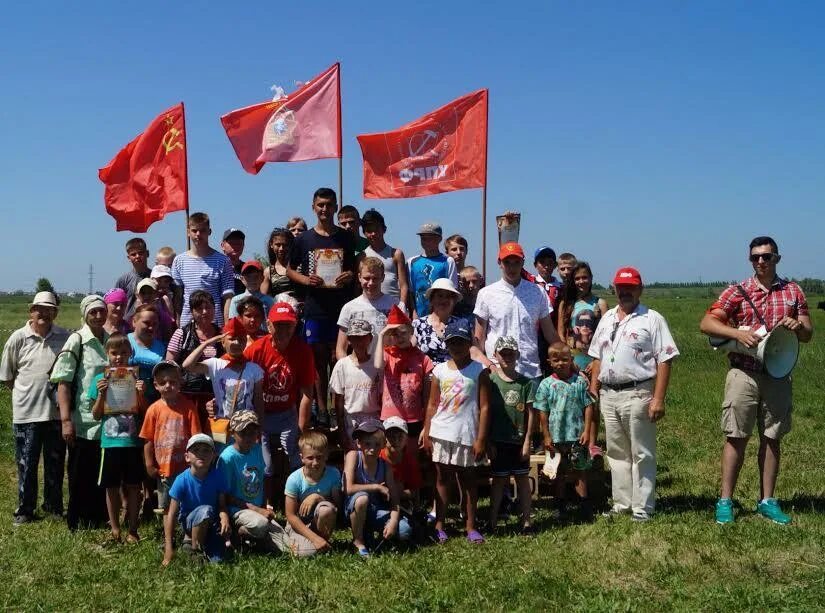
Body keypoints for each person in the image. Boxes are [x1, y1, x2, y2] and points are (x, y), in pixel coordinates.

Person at [699, 236, 813, 525]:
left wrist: (798, 326)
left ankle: (767, 500)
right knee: (736, 436)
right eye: (755, 257)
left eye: (766, 256)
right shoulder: (738, 290)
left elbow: (808, 332)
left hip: (778, 373)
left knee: (772, 437)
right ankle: (725, 500)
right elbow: (707, 323)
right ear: (750, 260)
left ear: (777, 258)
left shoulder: (793, 292)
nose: (760, 261)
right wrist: (737, 334)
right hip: (743, 373)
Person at [588, 267, 679, 521]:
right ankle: (622, 503)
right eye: (621, 287)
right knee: (616, 452)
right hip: (609, 394)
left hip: (638, 392)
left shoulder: (652, 319)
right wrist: (594, 388)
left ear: (640, 289)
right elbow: (597, 355)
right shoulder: (606, 319)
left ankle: (643, 507)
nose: (625, 292)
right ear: (614, 289)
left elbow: (665, 359)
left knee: (642, 452)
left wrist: (658, 398)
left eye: (631, 287)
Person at [286, 188, 356, 427]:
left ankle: (339, 408)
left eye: (329, 204)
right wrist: (306, 280)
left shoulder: (346, 238)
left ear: (336, 207)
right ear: (313, 207)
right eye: (320, 205)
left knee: (339, 360)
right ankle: (323, 411)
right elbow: (289, 269)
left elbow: (354, 269)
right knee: (317, 362)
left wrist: (349, 276)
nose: (325, 209)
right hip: (315, 307)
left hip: (340, 308)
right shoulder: (303, 239)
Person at [1, 291, 70, 525]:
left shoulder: (64, 337)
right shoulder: (18, 338)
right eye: (39, 308)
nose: (43, 313)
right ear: (31, 311)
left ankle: (52, 507)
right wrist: (26, 393)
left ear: (55, 312)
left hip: (55, 414)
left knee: (55, 463)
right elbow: (8, 377)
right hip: (26, 413)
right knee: (26, 464)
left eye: (48, 309)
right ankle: (25, 509)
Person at [421, 319, 489, 544]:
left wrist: (481, 438)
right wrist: (428, 431)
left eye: (460, 342)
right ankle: (439, 524)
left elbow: (485, 406)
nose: (456, 347)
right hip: (442, 432)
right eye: (451, 342)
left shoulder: (479, 370)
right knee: (442, 478)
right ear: (446, 344)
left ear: (469, 342)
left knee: (468, 480)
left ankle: (470, 526)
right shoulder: (439, 370)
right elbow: (432, 404)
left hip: (467, 433)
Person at [244, 302, 316, 504]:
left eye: (288, 325)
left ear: (295, 326)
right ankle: (265, 503)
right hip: (262, 413)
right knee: (265, 463)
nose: (283, 330)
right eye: (278, 325)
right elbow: (235, 370)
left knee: (295, 455)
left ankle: (299, 500)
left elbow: (307, 393)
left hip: (287, 413)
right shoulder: (256, 350)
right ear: (269, 325)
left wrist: (302, 427)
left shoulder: (303, 351)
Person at [50, 295, 110, 530]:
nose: (98, 316)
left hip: (105, 418)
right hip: (82, 419)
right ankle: (76, 519)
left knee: (99, 471)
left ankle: (97, 517)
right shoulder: (77, 341)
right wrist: (66, 420)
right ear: (84, 314)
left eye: (101, 311)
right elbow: (63, 382)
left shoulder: (108, 340)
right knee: (79, 471)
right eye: (93, 312)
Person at [217, 411, 305, 554]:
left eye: (252, 432)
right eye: (243, 433)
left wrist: (264, 506)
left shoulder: (257, 449)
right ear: (232, 433)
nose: (248, 437)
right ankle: (238, 533)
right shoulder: (227, 458)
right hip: (238, 510)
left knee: (289, 549)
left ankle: (255, 542)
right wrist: (257, 510)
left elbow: (261, 479)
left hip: (257, 509)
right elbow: (224, 496)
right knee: (261, 524)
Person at [89, 333, 147, 543]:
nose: (119, 357)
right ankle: (115, 528)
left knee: (134, 486)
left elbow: (143, 412)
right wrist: (102, 394)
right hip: (110, 442)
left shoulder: (136, 378)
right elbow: (96, 415)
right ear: (107, 354)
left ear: (130, 353)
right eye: (114, 353)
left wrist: (141, 393)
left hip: (132, 442)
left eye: (124, 352)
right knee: (111, 486)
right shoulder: (99, 379)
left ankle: (132, 529)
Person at [473, 242, 559, 379]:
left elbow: (550, 333)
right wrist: (486, 366)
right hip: (497, 371)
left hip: (529, 370)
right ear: (499, 263)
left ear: (523, 263)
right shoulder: (486, 294)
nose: (512, 267)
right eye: (507, 262)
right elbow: (479, 338)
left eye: (516, 262)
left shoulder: (537, 292)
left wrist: (568, 360)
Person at [181, 316, 264, 446]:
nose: (236, 343)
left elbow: (258, 401)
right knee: (224, 461)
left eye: (241, 339)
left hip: (247, 429)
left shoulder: (254, 369)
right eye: (232, 339)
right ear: (223, 342)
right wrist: (207, 343)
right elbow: (187, 365)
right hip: (223, 427)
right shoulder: (215, 364)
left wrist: (260, 429)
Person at [534, 342, 595, 520]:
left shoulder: (579, 382)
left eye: (565, 360)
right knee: (558, 472)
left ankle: (584, 505)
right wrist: (546, 435)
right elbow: (542, 412)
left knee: (580, 470)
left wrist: (587, 431)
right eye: (556, 360)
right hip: (556, 437)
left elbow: (589, 406)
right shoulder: (546, 385)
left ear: (571, 360)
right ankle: (560, 506)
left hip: (576, 435)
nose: (561, 363)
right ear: (549, 362)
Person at [557, 261, 609, 457]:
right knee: (573, 401)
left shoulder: (600, 303)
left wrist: (596, 362)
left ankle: (593, 443)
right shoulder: (567, 304)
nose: (581, 281)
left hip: (593, 360)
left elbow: (605, 335)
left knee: (592, 401)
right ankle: (573, 439)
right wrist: (568, 360)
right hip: (572, 359)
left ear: (591, 278)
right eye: (577, 278)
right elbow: (561, 334)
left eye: (585, 277)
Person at [486, 336, 536, 532]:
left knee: (523, 480)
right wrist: (488, 441)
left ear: (518, 355)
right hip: (498, 440)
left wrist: (527, 441)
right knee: (498, 481)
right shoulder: (490, 381)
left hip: (518, 440)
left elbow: (531, 414)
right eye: (503, 353)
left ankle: (526, 522)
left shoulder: (526, 383)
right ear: (495, 355)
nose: (507, 356)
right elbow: (485, 411)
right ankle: (492, 522)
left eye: (511, 353)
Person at [140, 361, 202, 515]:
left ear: (180, 382)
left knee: (187, 501)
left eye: (172, 382)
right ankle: (168, 535)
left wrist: (195, 462)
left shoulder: (188, 407)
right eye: (163, 382)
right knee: (167, 507)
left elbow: (196, 438)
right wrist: (149, 464)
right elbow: (148, 440)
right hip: (163, 469)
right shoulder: (153, 410)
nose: (168, 386)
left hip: (185, 467)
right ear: (155, 385)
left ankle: (186, 533)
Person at [343, 419, 409, 556]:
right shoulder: (354, 456)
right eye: (367, 444)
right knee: (362, 498)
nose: (372, 449)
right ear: (359, 443)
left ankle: (372, 533)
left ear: (384, 445)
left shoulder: (385, 466)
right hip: (352, 509)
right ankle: (358, 541)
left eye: (377, 444)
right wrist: (376, 487)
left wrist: (393, 520)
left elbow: (395, 499)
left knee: (404, 530)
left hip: (375, 510)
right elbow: (347, 488)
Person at [163, 433, 231, 565]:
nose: (201, 454)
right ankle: (195, 550)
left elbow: (222, 504)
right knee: (205, 510)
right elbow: (171, 514)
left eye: (206, 450)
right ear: (187, 457)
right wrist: (169, 547)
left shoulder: (218, 476)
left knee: (218, 561)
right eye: (196, 450)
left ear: (213, 456)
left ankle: (193, 545)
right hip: (190, 522)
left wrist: (224, 516)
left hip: (212, 523)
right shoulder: (181, 480)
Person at [375, 305, 434, 441]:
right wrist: (382, 335)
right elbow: (378, 366)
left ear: (411, 331)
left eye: (403, 332)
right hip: (390, 417)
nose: (400, 337)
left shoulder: (422, 358)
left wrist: (426, 423)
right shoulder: (387, 354)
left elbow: (426, 395)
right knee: (391, 454)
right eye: (395, 334)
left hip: (413, 417)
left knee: (412, 455)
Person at [172, 212, 235, 328]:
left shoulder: (223, 261)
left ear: (209, 232)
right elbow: (177, 297)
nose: (198, 234)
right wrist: (178, 320)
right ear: (188, 232)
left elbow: (228, 298)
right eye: (194, 230)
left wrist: (227, 325)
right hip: (188, 324)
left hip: (215, 324)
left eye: (202, 230)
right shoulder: (179, 261)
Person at [283, 431, 342, 556]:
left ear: (326, 455)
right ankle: (314, 543)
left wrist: (317, 497)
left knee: (326, 510)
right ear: (302, 458)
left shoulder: (334, 474)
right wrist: (314, 538)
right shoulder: (294, 479)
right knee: (304, 553)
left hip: (319, 521)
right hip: (298, 525)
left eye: (319, 457)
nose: (315, 462)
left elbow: (337, 506)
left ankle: (322, 541)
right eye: (310, 458)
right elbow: (290, 515)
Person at [335, 256, 406, 359]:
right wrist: (348, 369)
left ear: (383, 277)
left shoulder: (397, 306)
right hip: (361, 368)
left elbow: (406, 341)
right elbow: (341, 349)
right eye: (367, 278)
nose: (371, 283)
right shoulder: (349, 308)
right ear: (359, 277)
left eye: (375, 278)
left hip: (391, 368)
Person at [165, 290, 223, 416]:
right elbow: (169, 366)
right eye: (199, 308)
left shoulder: (222, 334)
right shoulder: (182, 334)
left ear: (214, 308)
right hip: (187, 395)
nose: (204, 312)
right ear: (191, 312)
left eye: (208, 307)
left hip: (217, 396)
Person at [330, 320, 383, 449]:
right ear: (348, 340)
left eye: (363, 338)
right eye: (354, 338)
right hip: (351, 421)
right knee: (353, 458)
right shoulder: (342, 365)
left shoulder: (377, 365)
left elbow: (382, 396)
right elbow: (338, 402)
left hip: (373, 419)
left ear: (370, 338)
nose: (359, 342)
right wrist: (341, 431)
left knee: (372, 457)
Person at [412, 278, 471, 366]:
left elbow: (474, 351)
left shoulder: (462, 324)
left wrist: (491, 367)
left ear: (454, 301)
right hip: (426, 377)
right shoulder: (418, 324)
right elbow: (408, 350)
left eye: (448, 296)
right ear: (431, 300)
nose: (444, 300)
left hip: (455, 377)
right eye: (440, 296)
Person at [407, 222, 458, 319]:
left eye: (430, 238)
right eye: (423, 238)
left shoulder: (448, 261)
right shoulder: (412, 262)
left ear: (439, 239)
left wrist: (447, 314)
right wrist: (413, 312)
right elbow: (411, 291)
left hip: (442, 315)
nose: (426, 241)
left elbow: (453, 291)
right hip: (419, 315)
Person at [362, 208, 410, 309]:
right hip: (370, 307)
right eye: (369, 231)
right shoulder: (362, 256)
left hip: (393, 307)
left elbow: (403, 285)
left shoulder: (396, 254)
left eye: (376, 229)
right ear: (364, 233)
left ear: (384, 229)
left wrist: (402, 305)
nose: (373, 234)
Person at [379, 417, 423, 508]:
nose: (396, 440)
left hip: (400, 503)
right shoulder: (377, 457)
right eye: (391, 436)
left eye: (400, 436)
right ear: (384, 438)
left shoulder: (410, 461)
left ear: (406, 440)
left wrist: (397, 493)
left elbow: (414, 491)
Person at [128, 304, 166, 403]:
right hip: (125, 401)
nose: (151, 328)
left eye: (155, 324)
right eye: (146, 323)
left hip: (152, 402)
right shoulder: (124, 341)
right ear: (134, 322)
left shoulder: (162, 348)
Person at [228, 261, 275, 327]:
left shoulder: (269, 301)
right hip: (243, 336)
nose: (252, 280)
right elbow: (232, 325)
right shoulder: (235, 301)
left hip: (265, 336)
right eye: (248, 276)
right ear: (242, 279)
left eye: (256, 276)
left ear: (262, 278)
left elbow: (273, 323)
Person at [115, 237, 151, 320]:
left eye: (140, 253)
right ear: (128, 258)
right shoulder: (123, 280)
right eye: (133, 254)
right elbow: (117, 303)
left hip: (151, 323)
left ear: (147, 253)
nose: (137, 256)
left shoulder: (155, 277)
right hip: (129, 324)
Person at [133, 278, 176, 343]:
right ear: (137, 295)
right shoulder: (134, 314)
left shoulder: (164, 316)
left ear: (156, 294)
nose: (146, 296)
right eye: (143, 293)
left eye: (150, 292)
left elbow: (168, 337)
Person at [261, 228, 295, 299]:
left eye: (285, 245)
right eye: (278, 245)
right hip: (278, 308)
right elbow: (263, 299)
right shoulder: (268, 272)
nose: (281, 248)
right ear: (271, 245)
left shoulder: (299, 267)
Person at [221, 227, 247, 296]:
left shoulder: (248, 269)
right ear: (222, 245)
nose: (236, 246)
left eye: (239, 243)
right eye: (232, 243)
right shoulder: (216, 267)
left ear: (243, 246)